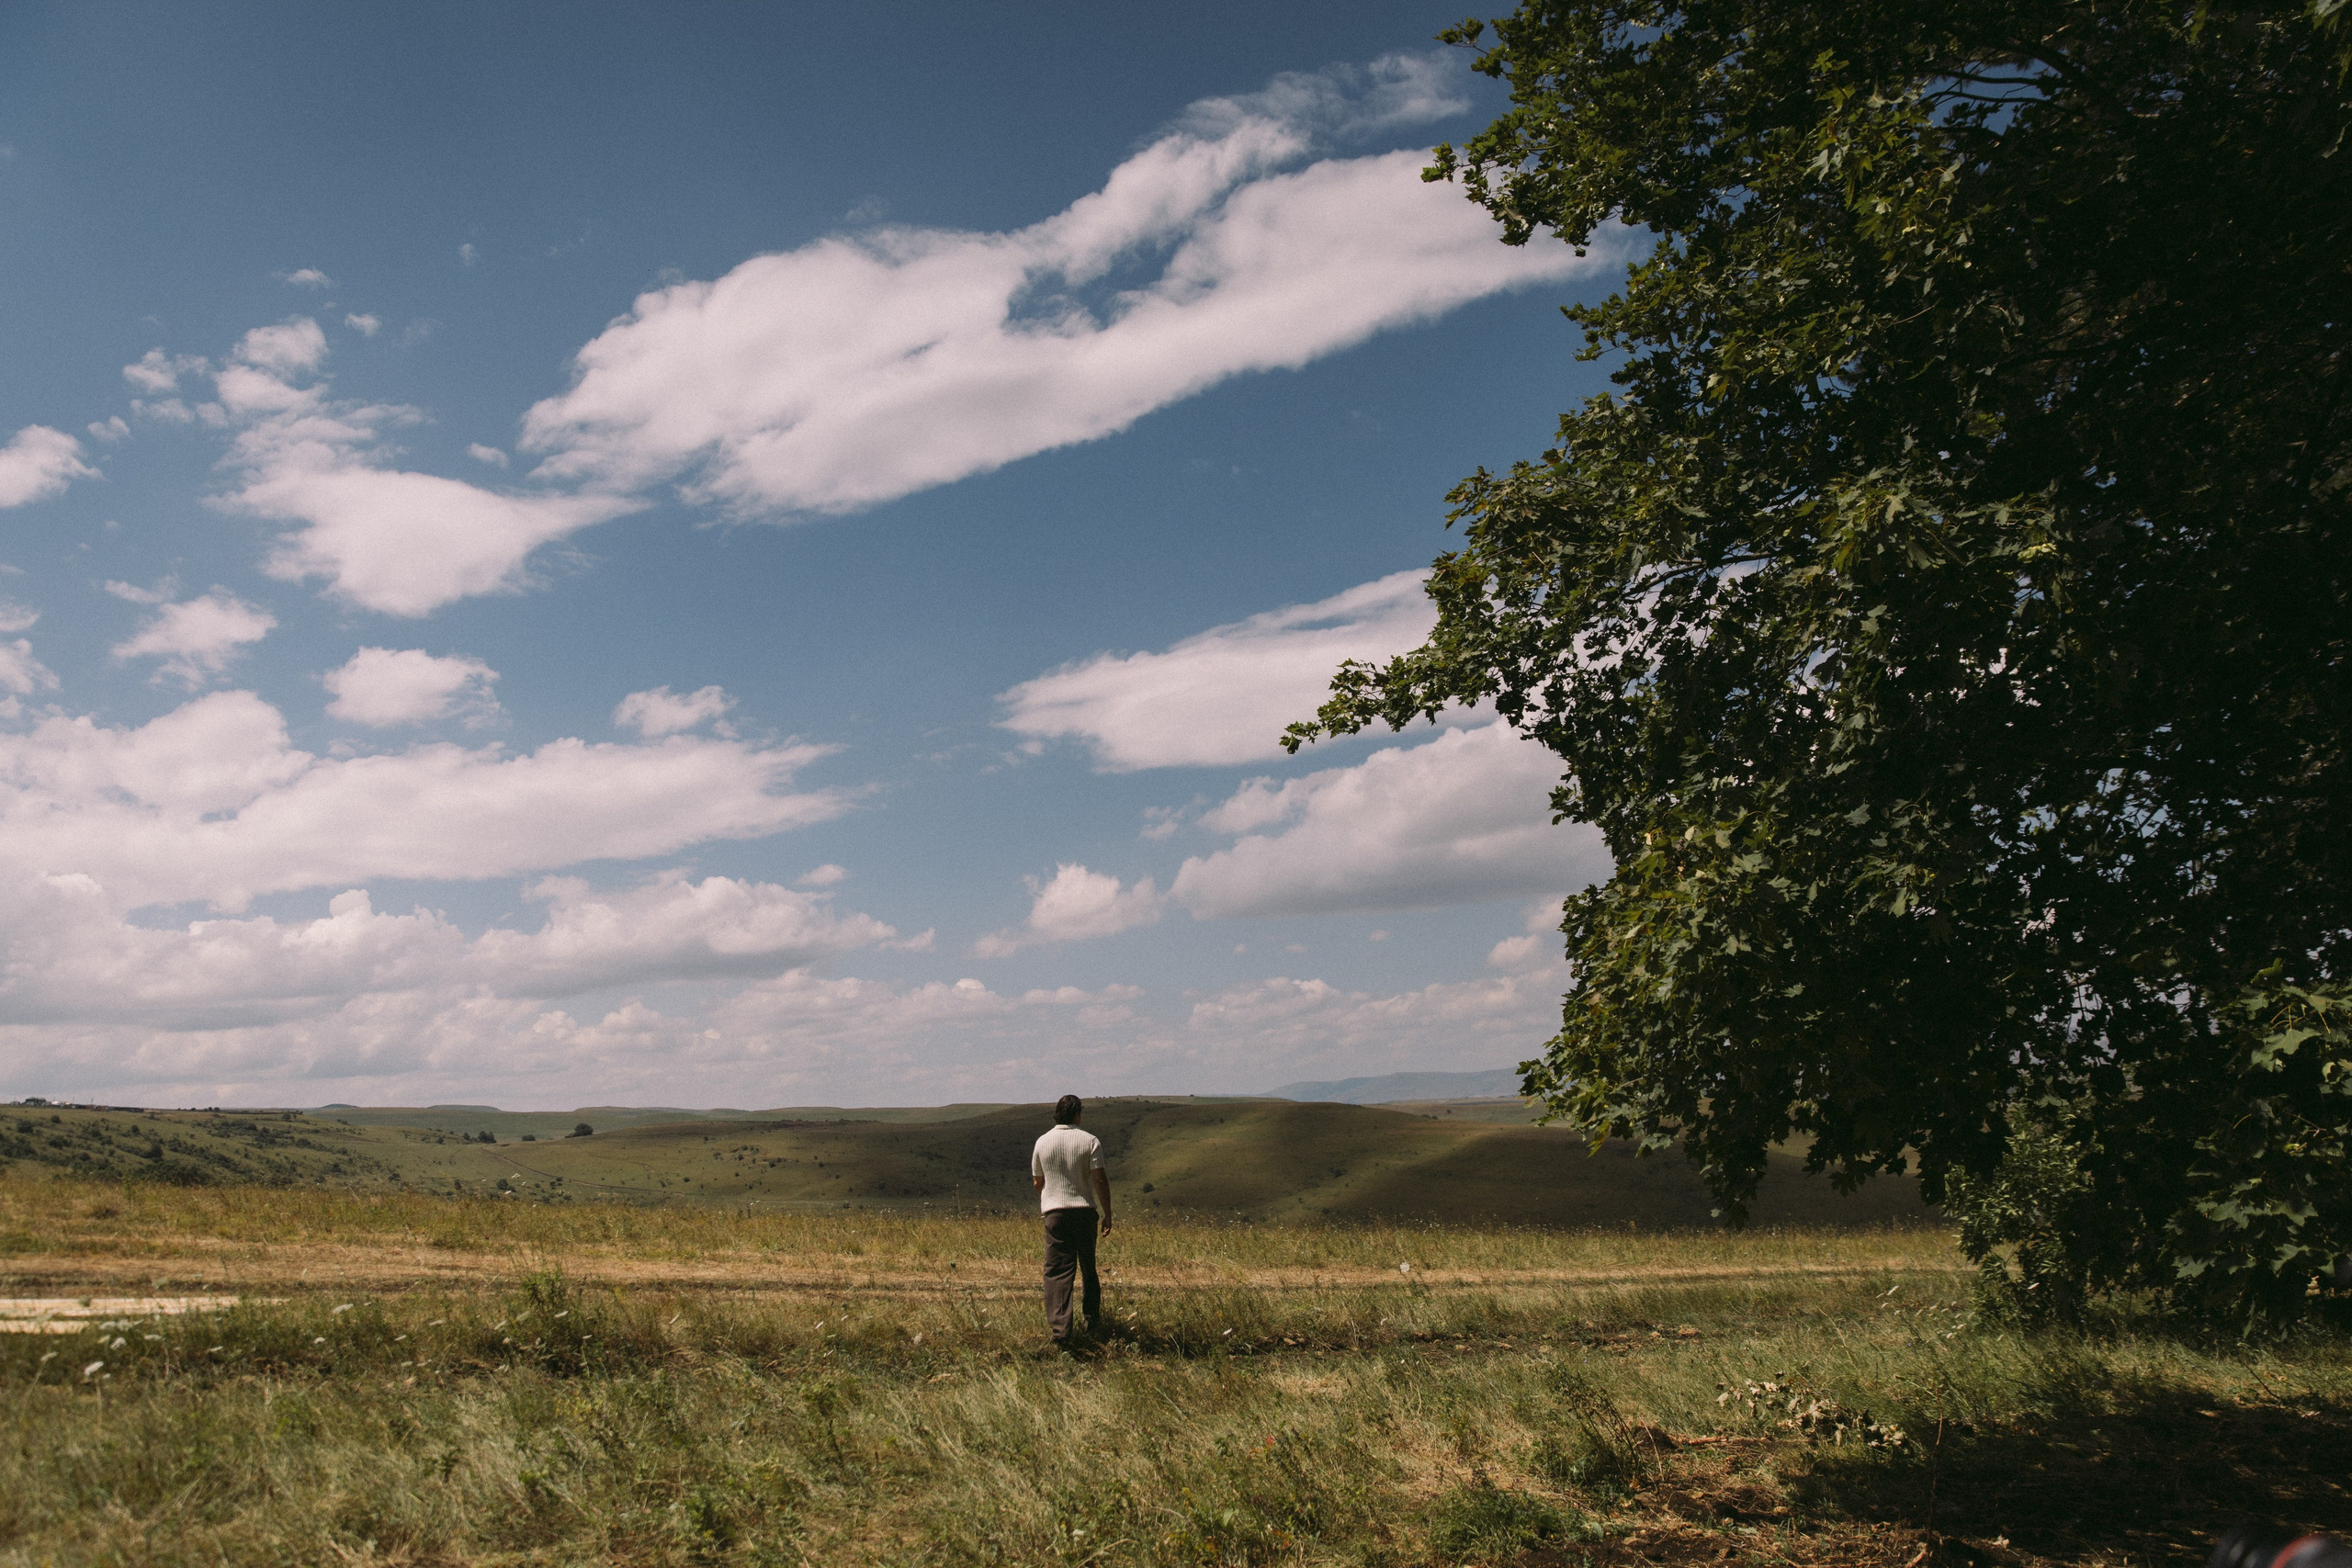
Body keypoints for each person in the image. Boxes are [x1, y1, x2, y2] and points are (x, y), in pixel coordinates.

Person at [1030, 1093, 1112, 1348]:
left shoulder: (1042, 1142)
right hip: (1085, 1211)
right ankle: (1092, 1321)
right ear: (1077, 1114)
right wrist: (1108, 1213)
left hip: (1055, 1213)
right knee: (1088, 1268)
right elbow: (1099, 1179)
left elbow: (1037, 1181)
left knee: (1057, 1271)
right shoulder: (1089, 1141)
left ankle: (1061, 1331)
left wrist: (1051, 1199)